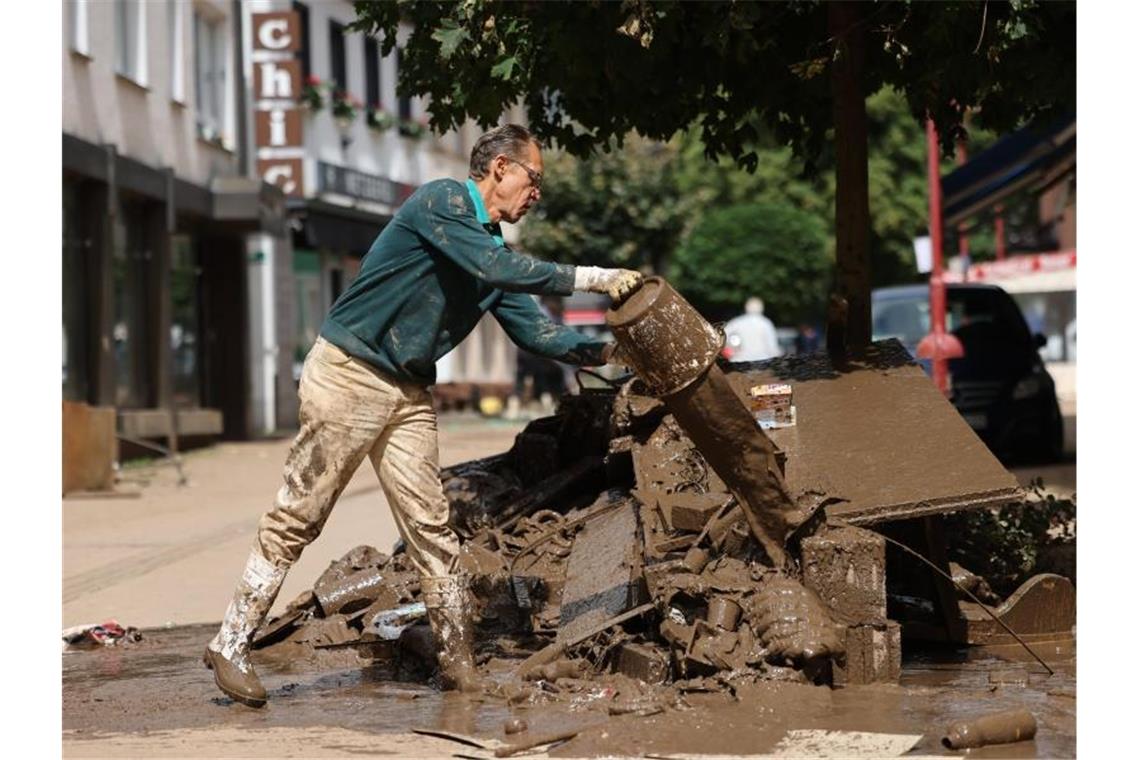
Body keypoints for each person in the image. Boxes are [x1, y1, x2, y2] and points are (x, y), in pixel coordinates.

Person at [204, 124, 641, 707]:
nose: (536, 193)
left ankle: (459, 662)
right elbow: (494, 269)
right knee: (301, 512)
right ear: (501, 168)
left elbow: (537, 332)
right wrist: (593, 279)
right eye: (534, 179)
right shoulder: (441, 201)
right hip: (349, 372)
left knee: (432, 528)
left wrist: (615, 353)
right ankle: (230, 641)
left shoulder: (492, 258)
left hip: (407, 391)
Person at [723, 297, 781, 362]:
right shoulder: (766, 323)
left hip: (740, 361)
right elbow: (772, 347)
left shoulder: (737, 322)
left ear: (746, 307)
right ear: (761, 308)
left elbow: (723, 336)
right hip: (762, 361)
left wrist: (732, 347)